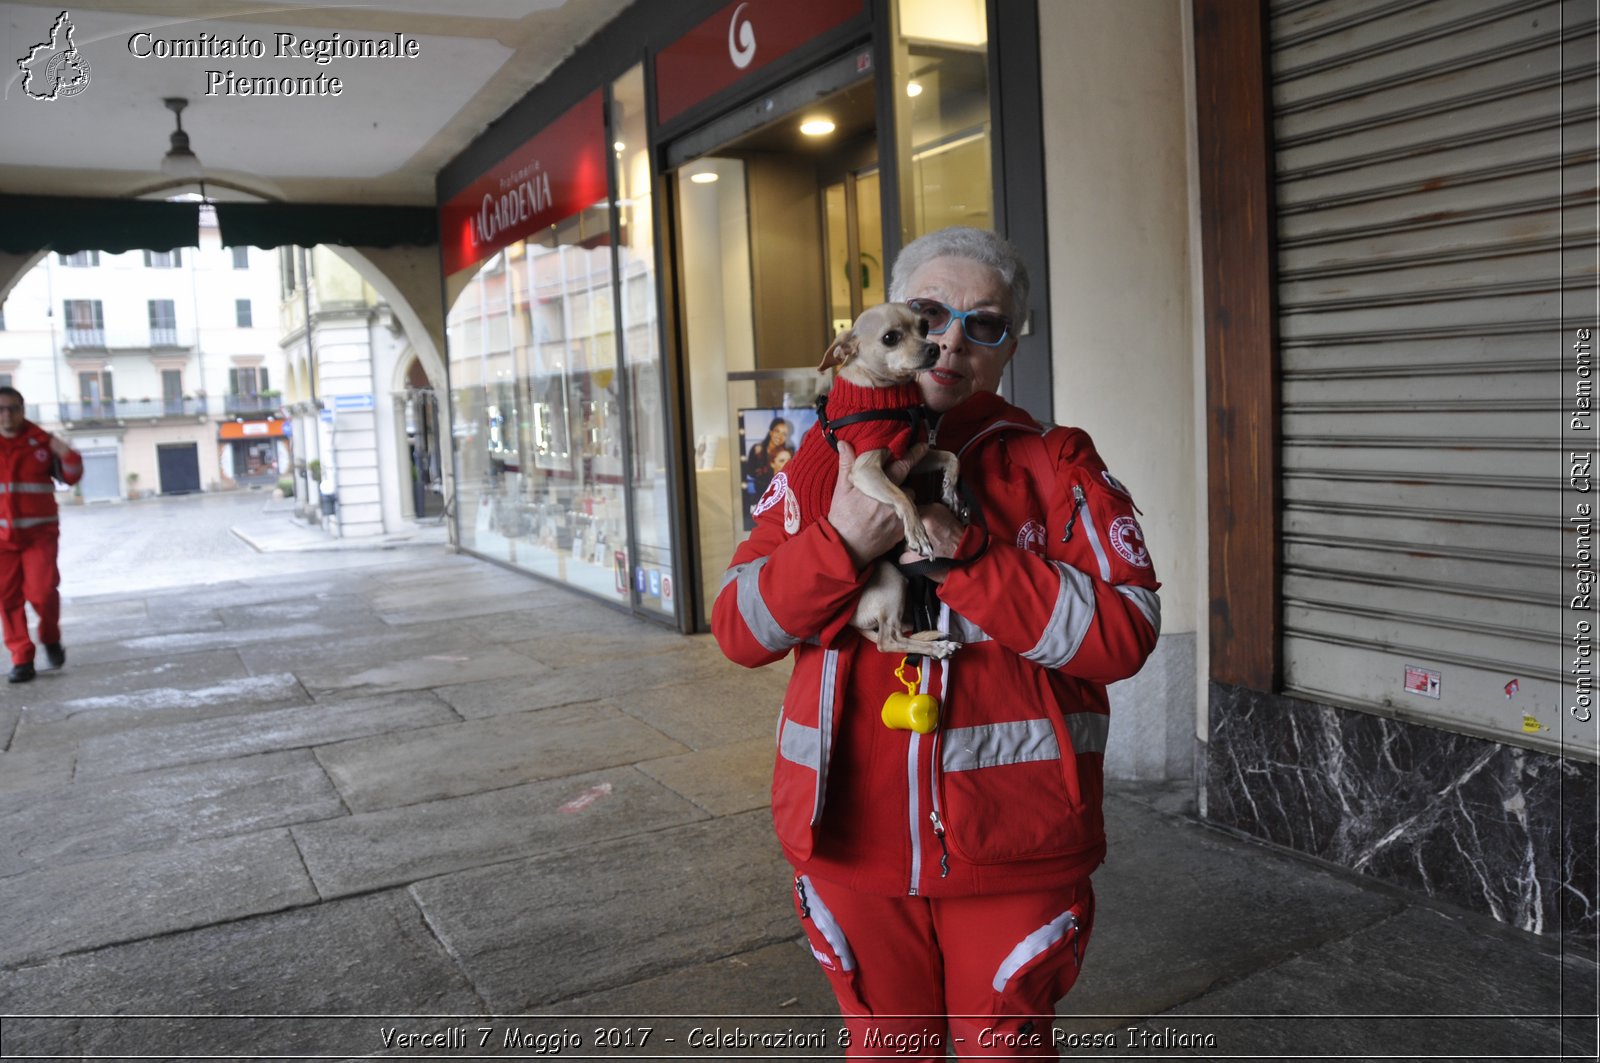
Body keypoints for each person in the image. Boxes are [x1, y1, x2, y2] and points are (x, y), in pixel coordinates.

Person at [712, 227, 1161, 1059]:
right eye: (927, 313)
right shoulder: (821, 460)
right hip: (848, 838)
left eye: (982, 324)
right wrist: (840, 541)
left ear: (1010, 345)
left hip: (1015, 846)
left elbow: (1124, 633)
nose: (949, 338)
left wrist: (969, 557)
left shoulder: (1056, 463)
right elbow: (740, 629)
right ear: (885, 321)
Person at [0, 387, 82, 683]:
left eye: (13, 408)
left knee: (43, 593)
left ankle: (50, 637)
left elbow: (72, 475)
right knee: (7, 599)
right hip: (1, 540)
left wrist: (67, 452)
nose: (7, 415)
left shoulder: (42, 442)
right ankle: (22, 658)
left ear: (23, 410)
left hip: (39, 535)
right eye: (1, 409)